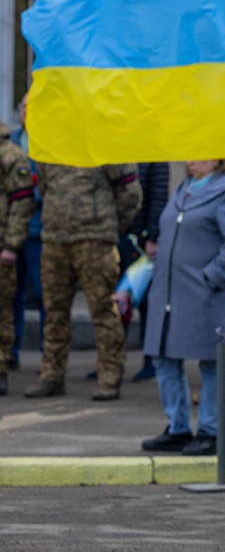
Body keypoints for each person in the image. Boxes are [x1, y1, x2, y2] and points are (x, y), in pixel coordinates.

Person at [139, 161, 225, 455]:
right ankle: (177, 427)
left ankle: (210, 431)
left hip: (207, 293)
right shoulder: (185, 187)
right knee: (163, 356)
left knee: (211, 361)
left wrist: (211, 277)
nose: (190, 159)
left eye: (199, 152)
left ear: (218, 157)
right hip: (169, 291)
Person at [25, 163, 141, 401]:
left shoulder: (103, 143)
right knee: (54, 312)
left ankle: (109, 377)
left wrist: (108, 225)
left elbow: (130, 193)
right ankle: (51, 376)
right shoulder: (53, 146)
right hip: (56, 240)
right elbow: (46, 188)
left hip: (95, 241)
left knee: (103, 311)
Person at [120, 161, 171, 382]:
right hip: (119, 234)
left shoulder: (154, 152)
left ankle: (150, 360)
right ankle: (112, 361)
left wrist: (153, 236)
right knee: (118, 299)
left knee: (148, 303)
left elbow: (158, 194)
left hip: (142, 240)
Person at [0, 121, 35, 395]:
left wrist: (12, 244)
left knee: (2, 311)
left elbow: (23, 201)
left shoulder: (10, 154)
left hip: (2, 248)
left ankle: (1, 368)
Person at [11, 96, 43, 370]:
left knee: (45, 295)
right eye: (24, 109)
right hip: (10, 235)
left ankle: (50, 356)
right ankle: (11, 351)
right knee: (13, 295)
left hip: (38, 232)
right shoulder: (10, 141)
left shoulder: (50, 144)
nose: (27, 113)